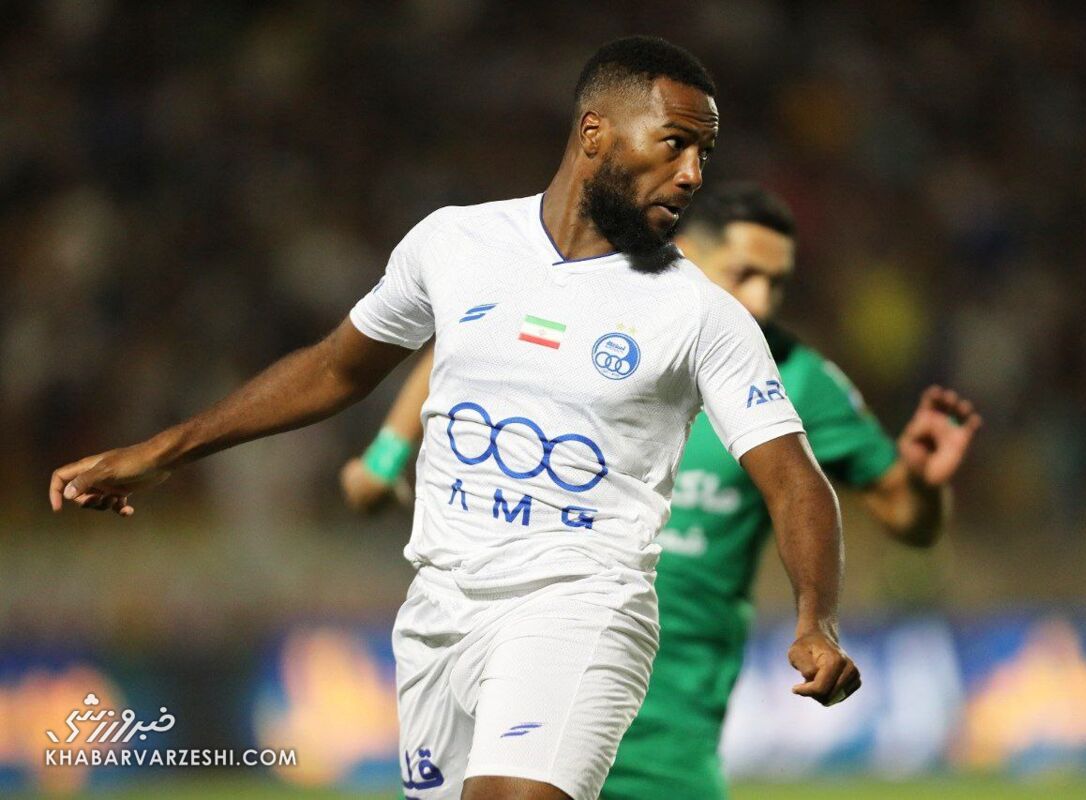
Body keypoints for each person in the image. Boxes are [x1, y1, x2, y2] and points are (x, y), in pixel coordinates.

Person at [48, 38, 860, 800]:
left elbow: (794, 480)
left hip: (580, 603)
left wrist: (815, 621)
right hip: (439, 610)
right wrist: (163, 452)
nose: (691, 175)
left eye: (704, 154)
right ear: (594, 133)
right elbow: (336, 368)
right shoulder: (455, 243)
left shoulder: (701, 315)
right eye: (675, 144)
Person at [341, 183, 981, 799]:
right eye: (744, 274)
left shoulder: (798, 379)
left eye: (777, 282)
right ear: (689, 255)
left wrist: (923, 485)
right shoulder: (604, 312)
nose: (760, 300)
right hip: (521, 678)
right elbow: (468, 336)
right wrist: (386, 455)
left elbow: (908, 517)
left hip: (667, 734)